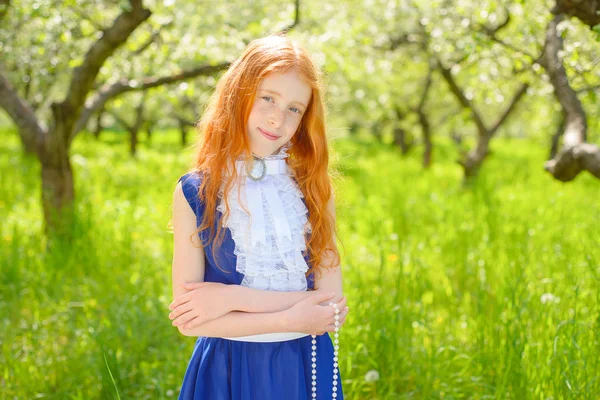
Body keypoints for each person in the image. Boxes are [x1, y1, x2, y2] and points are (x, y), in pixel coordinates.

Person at [169, 34, 349, 400]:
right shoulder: (194, 191)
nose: (277, 118)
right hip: (226, 369)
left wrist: (227, 298)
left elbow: (329, 308)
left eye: (294, 109)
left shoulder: (315, 189)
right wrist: (292, 318)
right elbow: (190, 321)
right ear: (240, 93)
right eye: (268, 97)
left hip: (304, 365)